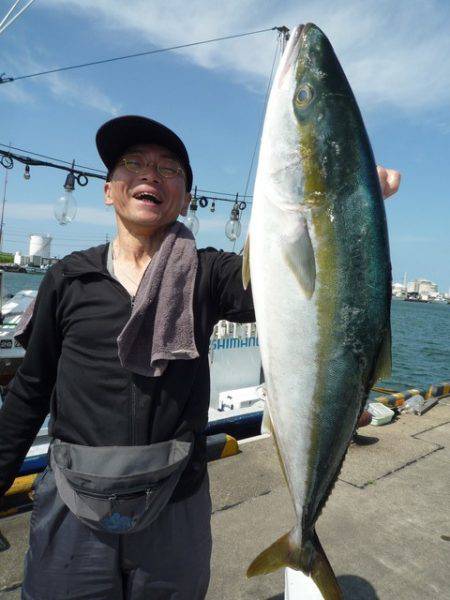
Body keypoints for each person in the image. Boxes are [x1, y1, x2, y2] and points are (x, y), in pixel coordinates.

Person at [0, 115, 401, 600]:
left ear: (186, 198)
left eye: (170, 168)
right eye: (133, 163)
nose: (150, 174)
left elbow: (294, 288)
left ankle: (303, 535)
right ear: (109, 190)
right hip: (71, 503)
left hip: (176, 504)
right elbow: (31, 389)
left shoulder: (209, 273)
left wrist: (348, 207)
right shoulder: (68, 277)